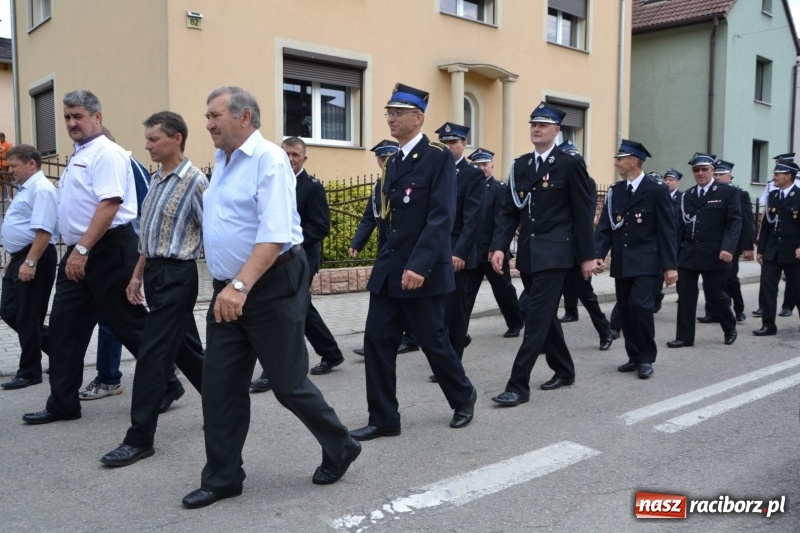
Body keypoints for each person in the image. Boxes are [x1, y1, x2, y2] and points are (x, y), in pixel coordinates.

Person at [182, 86, 359, 509]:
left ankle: (341, 445)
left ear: (245, 118)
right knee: (220, 385)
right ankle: (223, 476)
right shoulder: (223, 161)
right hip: (230, 289)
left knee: (287, 384)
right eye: (206, 116)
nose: (207, 124)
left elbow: (275, 234)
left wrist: (240, 287)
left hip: (269, 284)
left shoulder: (269, 160)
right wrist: (230, 285)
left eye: (214, 116)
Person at [21, 89, 203, 425]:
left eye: (78, 116)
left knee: (131, 326)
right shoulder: (80, 153)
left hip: (105, 249)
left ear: (97, 117)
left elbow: (110, 204)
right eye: (67, 117)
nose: (72, 123)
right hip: (80, 251)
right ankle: (62, 402)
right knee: (64, 329)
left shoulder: (106, 152)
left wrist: (83, 250)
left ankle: (171, 384)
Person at [349, 82, 477, 441]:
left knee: (434, 342)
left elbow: (441, 218)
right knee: (377, 341)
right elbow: (389, 220)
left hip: (423, 271)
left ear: (417, 118)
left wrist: (419, 266)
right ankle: (384, 417)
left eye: (397, 112)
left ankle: (463, 396)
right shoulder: (394, 162)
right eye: (389, 112)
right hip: (390, 271)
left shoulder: (437, 158)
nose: (390, 118)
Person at [99, 111, 208, 467]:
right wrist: (136, 275)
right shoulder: (156, 178)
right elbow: (147, 236)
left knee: (153, 353)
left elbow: (214, 232)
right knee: (186, 348)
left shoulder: (195, 181)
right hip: (155, 272)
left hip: (179, 275)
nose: (147, 145)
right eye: (146, 139)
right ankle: (225, 403)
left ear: (176, 138)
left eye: (153, 139)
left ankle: (139, 438)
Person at [489, 102, 595, 407]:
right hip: (530, 255)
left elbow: (582, 211)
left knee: (534, 316)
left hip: (557, 253)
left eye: (543, 125)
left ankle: (518, 385)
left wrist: (587, 256)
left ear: (556, 131)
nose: (536, 129)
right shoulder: (520, 165)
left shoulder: (569, 164)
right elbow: (509, 212)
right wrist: (499, 246)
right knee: (544, 315)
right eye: (533, 124)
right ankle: (564, 368)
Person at [249, 137, 345, 391]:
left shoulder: (312, 187)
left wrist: (291, 242)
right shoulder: (273, 181)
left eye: (295, 154)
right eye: (286, 154)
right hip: (274, 259)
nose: (290, 159)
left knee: (285, 313)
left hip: (301, 258)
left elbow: (320, 226)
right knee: (302, 310)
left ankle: (273, 371)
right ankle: (331, 352)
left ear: (304, 158)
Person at [78, 129, 153, 401]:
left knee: (119, 316)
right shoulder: (97, 161)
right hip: (107, 248)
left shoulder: (123, 162)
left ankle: (111, 376)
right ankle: (166, 364)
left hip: (126, 248)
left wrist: (142, 258)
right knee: (115, 314)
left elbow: (147, 210)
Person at [595, 140, 677, 379]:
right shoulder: (615, 191)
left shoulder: (656, 190)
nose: (616, 162)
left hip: (646, 262)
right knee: (627, 310)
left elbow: (667, 230)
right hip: (622, 261)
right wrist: (598, 254)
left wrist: (670, 266)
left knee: (641, 308)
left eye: (620, 158)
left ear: (634, 161)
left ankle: (646, 358)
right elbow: (605, 227)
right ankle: (633, 356)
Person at [350, 140, 419, 357]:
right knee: (387, 296)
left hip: (407, 250)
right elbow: (369, 218)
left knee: (406, 298)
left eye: (389, 157)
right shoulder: (379, 186)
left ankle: (414, 337)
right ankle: (383, 340)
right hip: (386, 250)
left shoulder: (410, 180)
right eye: (381, 159)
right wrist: (357, 243)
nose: (385, 162)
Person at [667, 152, 741, 349]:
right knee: (686, 296)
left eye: (704, 170)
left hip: (715, 253)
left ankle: (729, 327)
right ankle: (684, 337)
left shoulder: (727, 193)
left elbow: (734, 223)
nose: (700, 173)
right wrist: (673, 258)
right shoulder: (688, 196)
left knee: (717, 295)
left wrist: (728, 248)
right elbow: (680, 228)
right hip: (689, 253)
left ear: (712, 171)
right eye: (696, 170)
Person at [0, 145, 57, 389]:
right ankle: (61, 348)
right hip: (22, 256)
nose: (10, 171)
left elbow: (44, 230)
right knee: (10, 310)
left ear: (31, 164)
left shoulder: (42, 189)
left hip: (36, 257)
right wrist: (15, 256)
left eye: (14, 166)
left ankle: (29, 370)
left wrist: (30, 261)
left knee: (28, 314)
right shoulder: (27, 189)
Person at [434, 121, 486, 366]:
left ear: (464, 145)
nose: (448, 146)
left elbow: (473, 219)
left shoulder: (472, 174)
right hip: (434, 252)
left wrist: (460, 252)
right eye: (444, 142)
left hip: (457, 256)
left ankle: (452, 364)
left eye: (453, 142)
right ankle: (444, 355)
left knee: (454, 314)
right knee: (437, 312)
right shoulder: (434, 170)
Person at [555, 140, 613, 351]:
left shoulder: (586, 182)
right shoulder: (552, 179)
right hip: (555, 249)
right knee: (545, 302)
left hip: (574, 248)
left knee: (586, 296)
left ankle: (604, 331)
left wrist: (589, 254)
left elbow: (586, 218)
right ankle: (548, 341)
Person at [463, 148, 524, 338]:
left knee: (503, 289)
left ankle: (515, 323)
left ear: (492, 166)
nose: (481, 168)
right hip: (472, 252)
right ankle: (459, 329)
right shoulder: (468, 188)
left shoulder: (499, 189)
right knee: (465, 293)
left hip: (492, 252)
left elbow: (502, 223)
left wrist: (497, 248)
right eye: (477, 165)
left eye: (484, 165)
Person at [696, 160, 754, 324]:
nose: (719, 177)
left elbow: (746, 221)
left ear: (730, 176)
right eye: (717, 174)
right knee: (709, 280)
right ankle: (712, 312)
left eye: (722, 174)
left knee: (729, 278)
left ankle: (739, 309)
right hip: (712, 244)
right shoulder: (708, 193)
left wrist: (748, 246)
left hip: (732, 244)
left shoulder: (739, 194)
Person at [753, 158, 800, 336]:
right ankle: (768, 325)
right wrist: (761, 249)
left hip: (793, 251)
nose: (774, 177)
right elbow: (766, 225)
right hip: (772, 251)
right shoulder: (773, 196)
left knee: (797, 288)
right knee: (768, 289)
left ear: (788, 176)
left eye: (777, 174)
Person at [0, 132, 15, 200]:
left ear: (4, 137)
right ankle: (1, 197)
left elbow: (11, 155)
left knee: (7, 181)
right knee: (0, 182)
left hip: (4, 165)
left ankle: (10, 197)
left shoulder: (8, 145)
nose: (0, 138)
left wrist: (8, 163)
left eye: (1, 136)